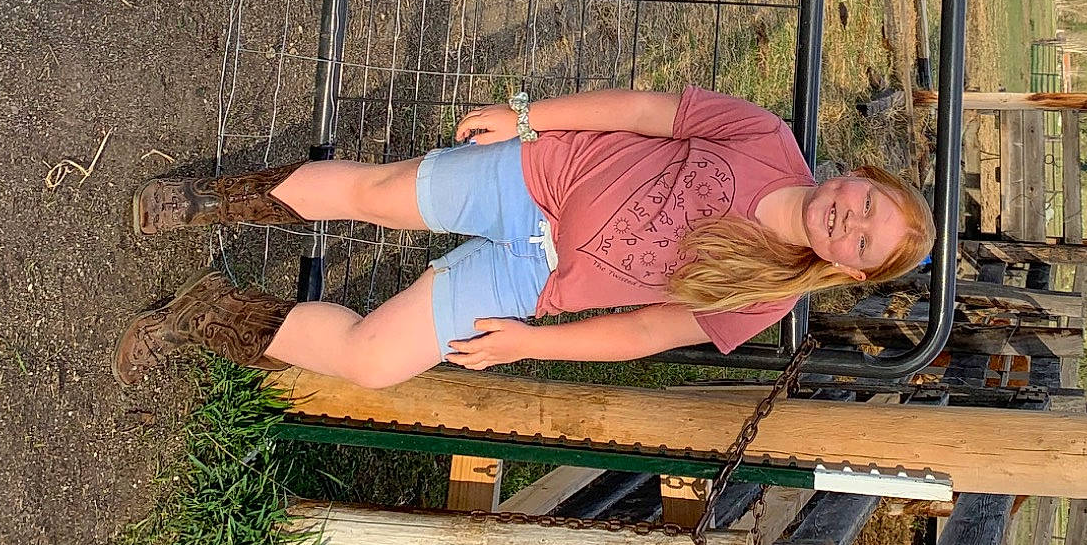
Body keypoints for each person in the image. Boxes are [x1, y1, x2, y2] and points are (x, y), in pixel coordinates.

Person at [114, 86, 933, 388]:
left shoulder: (765, 296)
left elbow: (648, 330)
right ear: (860, 176)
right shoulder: (762, 136)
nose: (850, 221)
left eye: (864, 243)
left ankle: (204, 312)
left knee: (373, 361)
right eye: (868, 204)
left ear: (847, 271)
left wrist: (527, 344)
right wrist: (529, 119)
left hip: (530, 283)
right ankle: (204, 201)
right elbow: (643, 113)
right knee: (377, 194)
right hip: (536, 179)